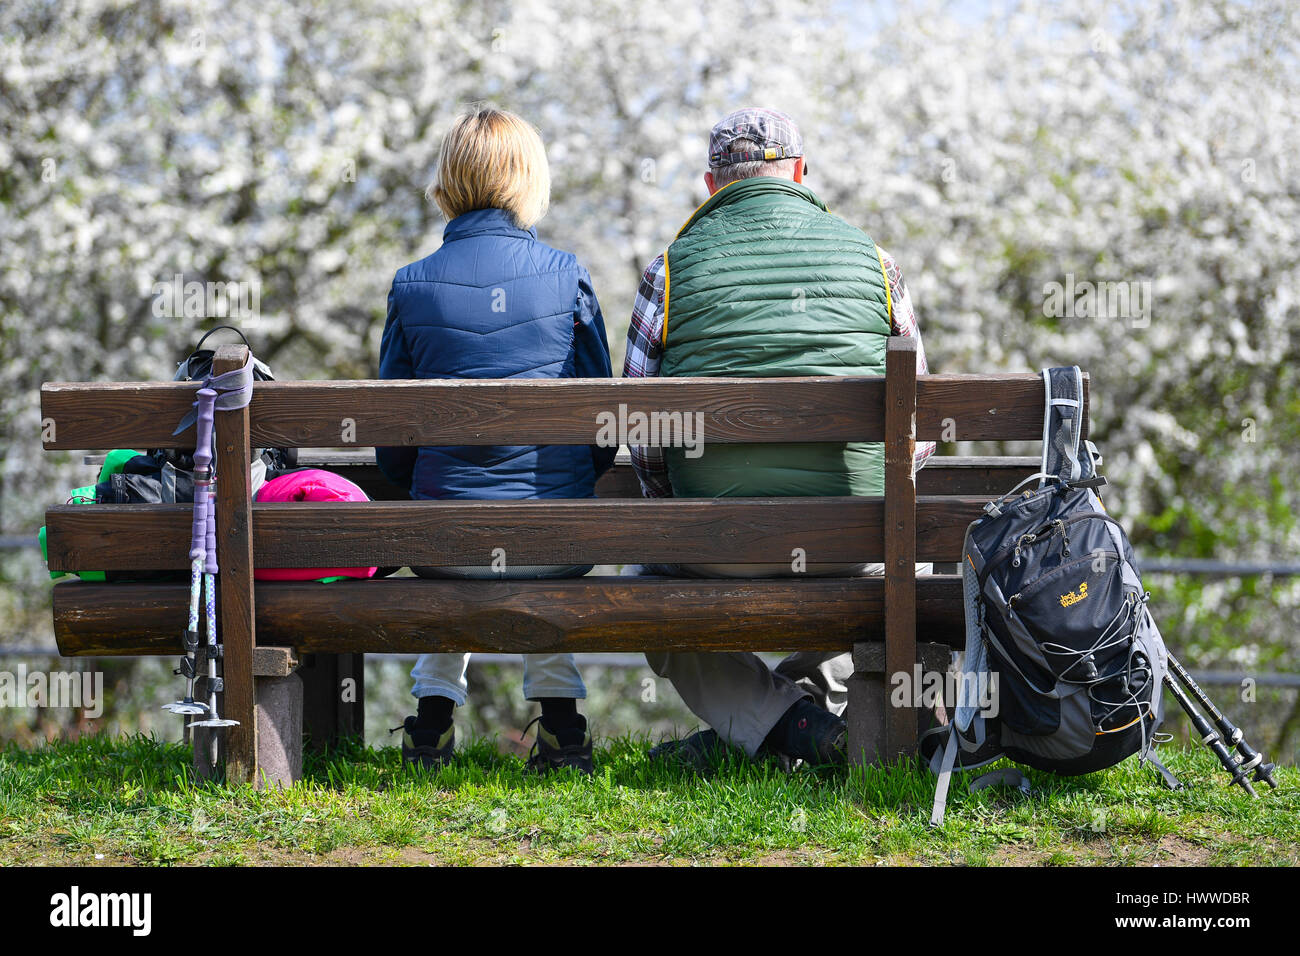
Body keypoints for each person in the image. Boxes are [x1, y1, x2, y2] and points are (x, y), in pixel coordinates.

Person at [623, 107, 936, 768]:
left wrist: (670, 507)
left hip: (719, 545)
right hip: (854, 541)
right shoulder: (877, 263)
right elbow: (921, 429)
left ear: (712, 184)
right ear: (798, 173)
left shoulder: (668, 271)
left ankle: (790, 725)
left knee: (643, 579)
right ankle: (838, 726)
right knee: (916, 566)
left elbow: (641, 432)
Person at [377, 106, 615, 774]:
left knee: (458, 533)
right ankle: (565, 734)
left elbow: (391, 449)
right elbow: (602, 429)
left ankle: (429, 731)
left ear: (448, 180)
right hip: (554, 543)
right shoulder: (568, 274)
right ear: (528, 178)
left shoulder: (411, 284)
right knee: (538, 534)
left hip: (446, 545)